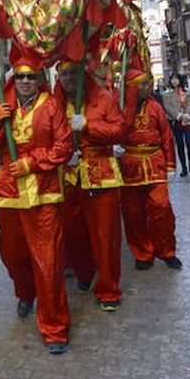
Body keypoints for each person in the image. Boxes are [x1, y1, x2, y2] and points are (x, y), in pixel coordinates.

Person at [0, 46, 73, 353]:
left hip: (44, 194)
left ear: (40, 78)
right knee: (12, 256)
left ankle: (55, 327)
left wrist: (31, 163)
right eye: (20, 77)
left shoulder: (52, 107)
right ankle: (25, 291)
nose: (26, 82)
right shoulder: (0, 108)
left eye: (31, 77)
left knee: (48, 262)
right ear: (13, 80)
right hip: (9, 194)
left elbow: (63, 148)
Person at [55, 58, 127, 311]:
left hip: (100, 176)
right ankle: (84, 271)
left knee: (105, 235)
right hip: (68, 177)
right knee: (73, 233)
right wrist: (64, 154)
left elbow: (119, 130)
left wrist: (88, 126)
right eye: (63, 74)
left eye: (73, 73)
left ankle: (108, 289)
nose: (68, 79)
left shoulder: (104, 99)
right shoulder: (54, 104)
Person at [119, 68, 182, 270]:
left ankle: (167, 250)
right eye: (143, 84)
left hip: (155, 164)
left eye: (148, 83)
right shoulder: (118, 109)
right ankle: (143, 252)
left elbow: (166, 136)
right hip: (128, 166)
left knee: (162, 208)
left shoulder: (155, 107)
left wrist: (171, 165)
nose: (148, 87)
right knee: (133, 213)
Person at [161, 72, 190, 175]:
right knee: (180, 145)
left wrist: (187, 115)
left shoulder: (188, 93)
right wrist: (178, 116)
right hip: (176, 122)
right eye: (172, 79)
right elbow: (168, 107)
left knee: (189, 144)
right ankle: (184, 168)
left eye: (176, 79)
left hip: (188, 121)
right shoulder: (167, 95)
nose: (174, 81)